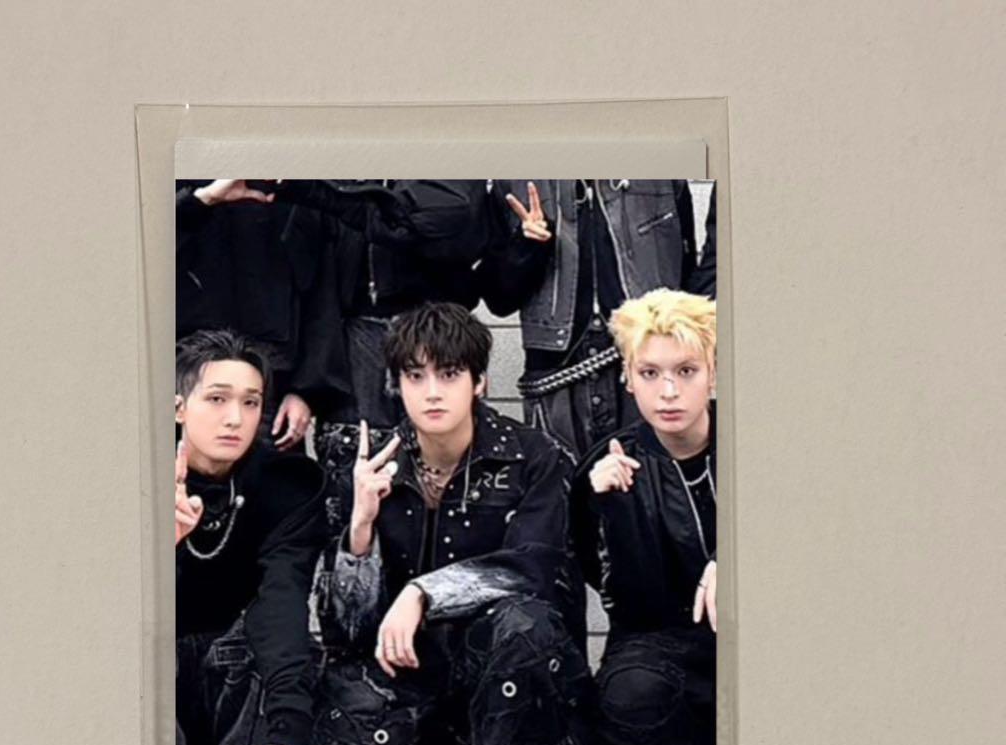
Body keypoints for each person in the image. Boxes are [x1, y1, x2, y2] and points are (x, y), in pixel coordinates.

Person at [308, 302, 592, 745]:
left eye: (449, 374)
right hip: (412, 681)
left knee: (524, 623)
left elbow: (534, 571)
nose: (432, 392)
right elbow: (347, 632)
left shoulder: (534, 457)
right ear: (396, 384)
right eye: (416, 376)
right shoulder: (371, 467)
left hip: (509, 677)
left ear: (479, 381)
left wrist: (422, 593)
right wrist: (361, 528)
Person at [571, 288, 718, 745]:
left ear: (713, 373)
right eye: (650, 373)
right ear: (628, 379)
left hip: (751, 641)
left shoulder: (758, 448)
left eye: (686, 371)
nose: (669, 391)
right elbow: (598, 580)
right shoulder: (611, 462)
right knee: (633, 707)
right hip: (653, 641)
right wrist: (599, 506)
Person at [174, 328, 327, 745]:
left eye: (250, 402)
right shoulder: (128, 476)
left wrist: (285, 736)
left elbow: (280, 605)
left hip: (231, 677)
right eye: (217, 399)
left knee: (278, 640)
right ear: (178, 407)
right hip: (152, 681)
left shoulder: (281, 487)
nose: (235, 419)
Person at [268, 180, 491, 533]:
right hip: (352, 347)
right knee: (353, 485)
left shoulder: (446, 166)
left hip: (439, 333)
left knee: (450, 486)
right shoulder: (332, 171)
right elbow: (309, 284)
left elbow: (433, 219)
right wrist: (304, 388)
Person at [477, 179, 716, 461]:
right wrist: (526, 247)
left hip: (645, 360)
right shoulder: (516, 181)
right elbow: (498, 299)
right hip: (556, 372)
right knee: (562, 482)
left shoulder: (662, 176)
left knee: (655, 478)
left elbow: (685, 282)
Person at [175, 179, 351, 451]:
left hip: (270, 383)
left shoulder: (290, 186)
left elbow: (320, 290)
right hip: (183, 373)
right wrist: (201, 200)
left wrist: (305, 391)